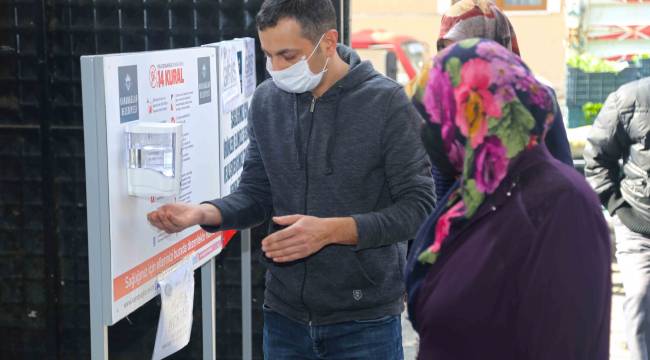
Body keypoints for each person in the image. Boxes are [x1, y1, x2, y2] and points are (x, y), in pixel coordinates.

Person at [147, 0, 435, 358]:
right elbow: (257, 193)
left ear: (328, 42)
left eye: (288, 55)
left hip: (364, 322)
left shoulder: (387, 103)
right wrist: (202, 213)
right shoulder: (267, 101)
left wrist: (331, 231)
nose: (276, 69)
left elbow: (420, 209)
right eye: (268, 55)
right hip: (284, 318)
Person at [405, 39, 611, 359]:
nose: (428, 132)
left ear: (477, 112)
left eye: (435, 116)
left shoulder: (560, 203)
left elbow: (566, 344)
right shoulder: (475, 191)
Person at [406, 0, 573, 202]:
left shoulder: (536, 100)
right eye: (446, 50)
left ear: (494, 47)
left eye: (465, 49)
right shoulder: (433, 103)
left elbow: (562, 176)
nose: (455, 61)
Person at [584, 77, 650, 360]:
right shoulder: (630, 98)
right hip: (638, 227)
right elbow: (597, 158)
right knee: (639, 299)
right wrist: (617, 207)